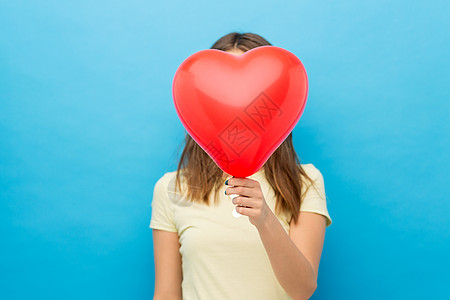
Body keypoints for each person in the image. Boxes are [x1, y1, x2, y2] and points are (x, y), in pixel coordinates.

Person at [150, 32, 332, 300]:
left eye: (254, 95)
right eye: (224, 94)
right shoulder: (172, 188)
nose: (238, 105)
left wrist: (265, 220)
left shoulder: (304, 181)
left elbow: (303, 289)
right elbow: (166, 293)